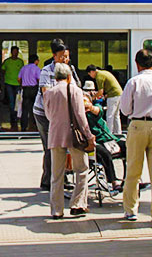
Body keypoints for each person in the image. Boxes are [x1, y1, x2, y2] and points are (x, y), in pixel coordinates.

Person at [120, 49, 152, 227]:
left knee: (133, 170)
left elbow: (125, 109)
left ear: (137, 64)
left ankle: (130, 210)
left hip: (137, 125)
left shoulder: (134, 82)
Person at [44, 63, 95, 219]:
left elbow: (48, 115)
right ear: (69, 76)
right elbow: (80, 116)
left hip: (54, 135)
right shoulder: (75, 91)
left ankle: (56, 210)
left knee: (57, 174)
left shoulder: (48, 93)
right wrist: (88, 135)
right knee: (81, 169)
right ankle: (77, 204)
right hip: (74, 136)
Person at [33, 39, 68, 190]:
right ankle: (48, 180)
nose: (65, 59)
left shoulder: (69, 69)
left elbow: (75, 88)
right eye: (62, 56)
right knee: (50, 146)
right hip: (43, 113)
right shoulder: (47, 71)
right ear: (54, 56)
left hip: (61, 114)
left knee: (63, 146)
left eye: (66, 56)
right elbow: (46, 94)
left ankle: (61, 178)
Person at [87, 64, 124, 135]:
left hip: (113, 95)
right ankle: (118, 133)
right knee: (116, 115)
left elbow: (100, 91)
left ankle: (108, 132)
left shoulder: (99, 77)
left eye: (89, 74)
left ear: (92, 72)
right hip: (119, 93)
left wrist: (92, 98)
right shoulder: (103, 72)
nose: (90, 76)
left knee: (109, 115)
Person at [0, 46, 25, 131]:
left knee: (17, 102)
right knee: (11, 102)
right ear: (11, 52)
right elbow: (2, 71)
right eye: (14, 51)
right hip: (9, 84)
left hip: (18, 84)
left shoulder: (20, 62)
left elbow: (22, 73)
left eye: (16, 52)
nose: (15, 53)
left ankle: (16, 118)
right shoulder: (7, 62)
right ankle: (12, 118)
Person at [18, 54, 41, 131]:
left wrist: (22, 84)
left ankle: (23, 127)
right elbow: (39, 79)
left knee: (24, 109)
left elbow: (19, 78)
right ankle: (35, 126)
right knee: (35, 108)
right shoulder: (37, 68)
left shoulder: (24, 68)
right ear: (36, 61)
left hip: (25, 89)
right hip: (34, 89)